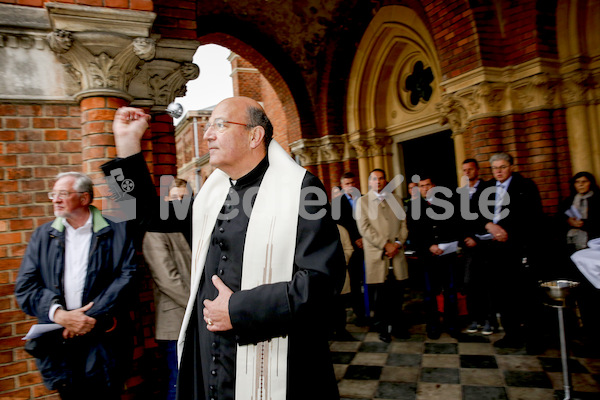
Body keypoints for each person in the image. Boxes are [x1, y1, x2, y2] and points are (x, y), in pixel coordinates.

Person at [104, 97, 345, 400]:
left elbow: (323, 281)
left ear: (254, 135)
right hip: (211, 359)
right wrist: (126, 144)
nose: (207, 135)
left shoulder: (300, 190)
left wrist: (237, 308)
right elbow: (142, 213)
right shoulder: (211, 195)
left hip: (276, 360)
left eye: (219, 125)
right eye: (207, 126)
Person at [15, 172, 137, 399]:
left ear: (84, 198)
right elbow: (25, 287)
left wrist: (84, 318)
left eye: (63, 194)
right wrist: (59, 314)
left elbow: (127, 277)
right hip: (60, 343)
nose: (55, 199)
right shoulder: (43, 236)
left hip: (104, 342)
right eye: (54, 194)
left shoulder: (116, 231)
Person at [479, 153, 546, 350]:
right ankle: (512, 335)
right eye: (495, 168)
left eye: (502, 167)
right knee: (503, 295)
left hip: (519, 249)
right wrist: (489, 225)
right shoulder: (486, 187)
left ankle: (535, 339)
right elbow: (473, 214)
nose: (498, 171)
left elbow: (534, 218)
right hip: (495, 251)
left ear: (511, 167)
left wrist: (508, 233)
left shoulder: (526, 186)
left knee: (527, 295)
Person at [142, 178, 193, 400]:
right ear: (166, 200)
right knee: (178, 382)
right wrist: (202, 303)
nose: (180, 203)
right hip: (176, 320)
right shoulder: (156, 231)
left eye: (185, 198)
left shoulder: (193, 227)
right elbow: (168, 280)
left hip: (200, 318)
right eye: (175, 198)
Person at [357, 169, 409, 342]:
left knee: (397, 293)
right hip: (378, 255)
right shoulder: (363, 202)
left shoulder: (397, 200)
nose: (378, 182)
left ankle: (398, 326)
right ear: (369, 182)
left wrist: (398, 243)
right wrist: (385, 244)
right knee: (381, 296)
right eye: (374, 179)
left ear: (385, 181)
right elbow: (364, 228)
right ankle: (383, 328)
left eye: (381, 179)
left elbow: (403, 224)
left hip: (397, 253)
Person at [407, 174, 462, 339]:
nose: (425, 188)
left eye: (428, 185)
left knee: (450, 291)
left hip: (447, 255)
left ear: (434, 186)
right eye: (421, 186)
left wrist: (445, 244)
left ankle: (452, 325)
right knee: (430, 293)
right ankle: (433, 326)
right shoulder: (414, 206)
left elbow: (454, 225)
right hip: (428, 257)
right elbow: (414, 233)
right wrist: (429, 246)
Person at [458, 159, 497, 335]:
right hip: (469, 245)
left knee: (488, 283)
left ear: (477, 170)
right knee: (470, 282)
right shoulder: (461, 194)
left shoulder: (489, 189)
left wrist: (478, 239)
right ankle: (475, 319)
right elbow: (458, 220)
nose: (467, 173)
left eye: (470, 169)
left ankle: (490, 320)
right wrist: (467, 237)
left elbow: (490, 215)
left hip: (487, 243)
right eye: (464, 170)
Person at [332, 172, 368, 326]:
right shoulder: (337, 203)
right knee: (355, 282)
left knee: (372, 281)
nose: (350, 186)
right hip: (352, 248)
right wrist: (356, 239)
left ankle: (374, 311)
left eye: (352, 183)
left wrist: (366, 239)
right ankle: (360, 315)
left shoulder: (366, 200)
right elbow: (340, 226)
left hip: (370, 245)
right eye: (347, 184)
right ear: (342, 186)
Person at [559, 171, 600, 253]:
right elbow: (559, 219)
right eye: (577, 182)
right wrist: (569, 221)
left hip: (594, 240)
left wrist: (583, 224)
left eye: (584, 182)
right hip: (572, 240)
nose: (580, 185)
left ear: (591, 183)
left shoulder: (597, 199)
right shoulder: (568, 201)